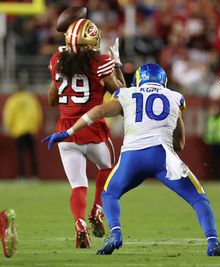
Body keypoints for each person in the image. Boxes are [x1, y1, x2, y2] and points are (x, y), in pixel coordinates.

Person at [42, 63, 220, 256]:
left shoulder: (126, 94)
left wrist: (69, 131)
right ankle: (213, 242)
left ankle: (116, 234)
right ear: (163, 81)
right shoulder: (175, 97)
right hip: (162, 157)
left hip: (132, 157)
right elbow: (180, 144)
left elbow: (98, 111)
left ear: (138, 79)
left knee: (109, 195)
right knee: (199, 198)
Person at [47, 18, 125, 248]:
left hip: (65, 132)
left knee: (78, 185)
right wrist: (117, 65)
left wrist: (59, 76)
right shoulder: (101, 62)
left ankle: (80, 223)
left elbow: (52, 99)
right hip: (92, 128)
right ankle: (97, 210)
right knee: (109, 170)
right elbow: (122, 95)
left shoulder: (57, 60)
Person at [3, 83, 42, 179]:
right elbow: (37, 113)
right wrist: (36, 127)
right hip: (30, 129)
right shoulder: (31, 99)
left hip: (18, 130)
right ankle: (34, 175)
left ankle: (22, 175)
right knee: (32, 154)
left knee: (20, 155)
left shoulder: (13, 100)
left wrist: (9, 126)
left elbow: (9, 115)